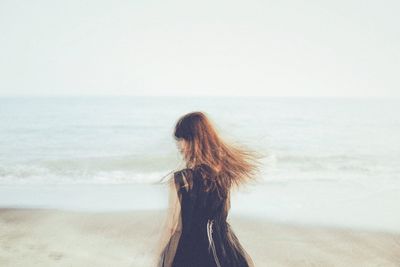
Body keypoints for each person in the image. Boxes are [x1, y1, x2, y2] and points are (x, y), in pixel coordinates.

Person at [156, 111, 263, 267]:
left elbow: (173, 227)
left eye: (182, 139)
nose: (179, 145)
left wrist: (161, 258)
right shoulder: (224, 176)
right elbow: (224, 214)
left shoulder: (182, 180)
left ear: (194, 140)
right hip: (222, 249)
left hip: (191, 251)